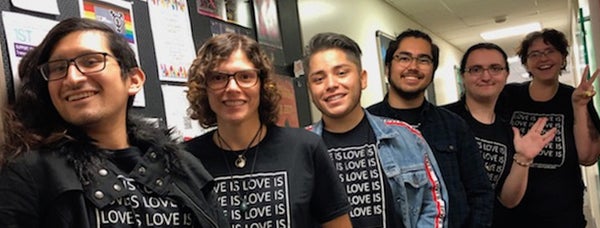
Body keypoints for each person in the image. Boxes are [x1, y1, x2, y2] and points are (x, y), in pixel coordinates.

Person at [0, 18, 227, 227]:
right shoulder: (32, 176)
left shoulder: (184, 167)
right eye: (59, 68)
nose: (72, 78)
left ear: (134, 80)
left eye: (90, 61)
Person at [184, 33, 352, 228]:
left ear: (263, 84)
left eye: (245, 76)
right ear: (205, 88)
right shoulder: (186, 160)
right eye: (218, 78)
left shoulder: (305, 148)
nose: (232, 88)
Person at [303, 32, 447, 228]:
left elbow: (434, 206)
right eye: (318, 79)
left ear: (362, 79)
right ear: (310, 89)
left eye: (341, 73)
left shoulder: (406, 137)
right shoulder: (299, 148)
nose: (331, 85)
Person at [367, 29, 494, 228]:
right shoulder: (368, 126)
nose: (413, 67)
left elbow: (481, 193)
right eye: (404, 58)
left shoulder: (454, 125)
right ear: (387, 67)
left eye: (424, 60)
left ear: (433, 71)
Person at [442, 43, 557, 225]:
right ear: (463, 76)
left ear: (506, 74)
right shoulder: (441, 120)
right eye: (476, 69)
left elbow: (508, 200)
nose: (486, 76)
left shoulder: (509, 132)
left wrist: (524, 158)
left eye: (495, 68)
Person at [495, 28, 600, 227]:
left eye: (550, 51)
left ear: (563, 57)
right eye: (534, 54)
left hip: (563, 215)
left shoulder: (575, 97)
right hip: (512, 214)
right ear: (525, 62)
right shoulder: (509, 96)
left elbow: (587, 157)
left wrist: (579, 106)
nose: (543, 58)